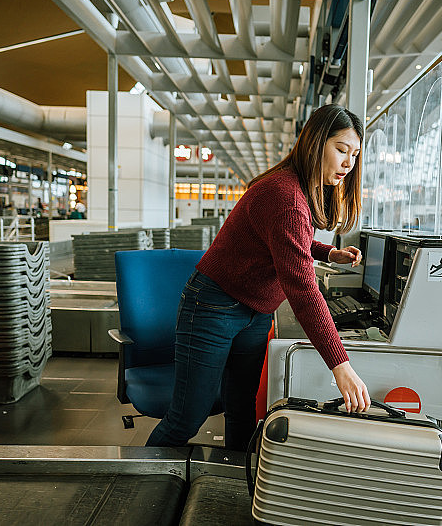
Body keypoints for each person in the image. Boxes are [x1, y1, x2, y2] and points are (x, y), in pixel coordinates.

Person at [147, 104, 370, 451]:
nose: (348, 163)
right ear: (315, 143)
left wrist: (327, 253)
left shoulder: (300, 191)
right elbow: (302, 288)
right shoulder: (284, 194)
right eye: (341, 150)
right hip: (213, 306)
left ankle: (233, 487)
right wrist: (339, 364)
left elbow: (289, 239)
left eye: (354, 154)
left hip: (255, 313)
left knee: (242, 411)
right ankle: (137, 487)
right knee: (187, 418)